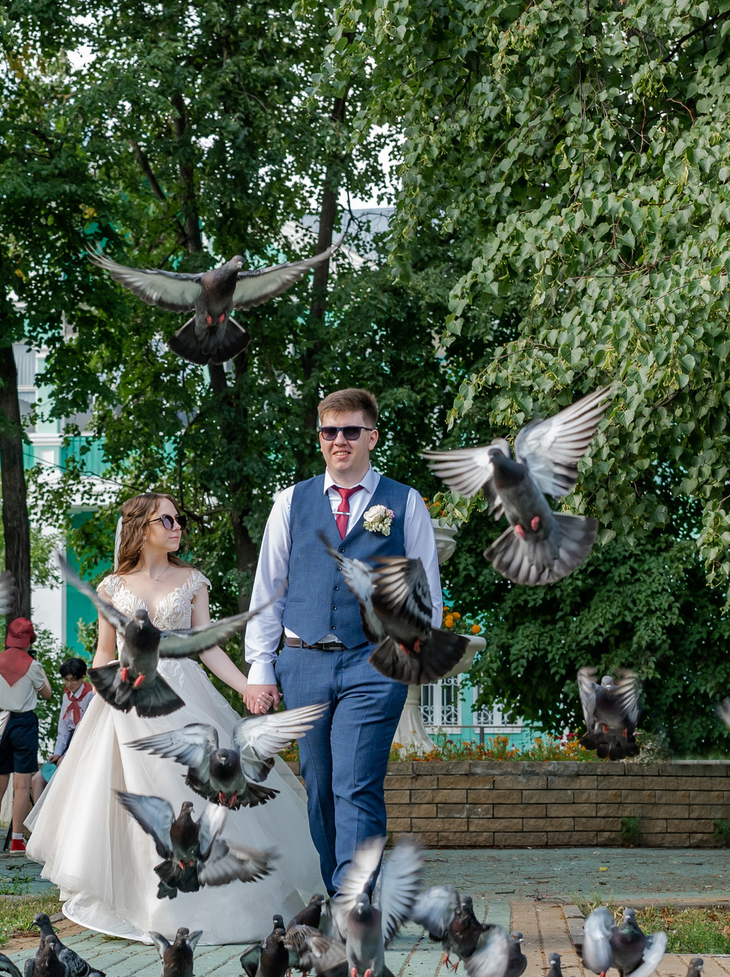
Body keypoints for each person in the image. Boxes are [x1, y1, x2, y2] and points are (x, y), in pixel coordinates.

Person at [25, 492, 325, 943]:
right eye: (165, 519)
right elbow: (104, 654)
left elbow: (206, 644)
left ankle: (213, 907)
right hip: (126, 701)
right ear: (142, 526)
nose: (176, 525)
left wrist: (246, 686)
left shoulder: (192, 581)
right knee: (137, 800)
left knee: (193, 796)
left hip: (184, 698)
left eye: (177, 519)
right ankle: (144, 907)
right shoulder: (112, 586)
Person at [244, 386, 443, 888]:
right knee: (320, 785)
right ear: (320, 439)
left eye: (351, 431)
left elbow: (426, 593)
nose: (340, 440)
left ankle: (353, 899)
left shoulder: (404, 502)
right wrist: (260, 667)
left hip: (375, 663)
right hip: (303, 660)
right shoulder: (290, 502)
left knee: (356, 784)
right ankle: (340, 884)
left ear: (371, 437)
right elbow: (269, 590)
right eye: (330, 432)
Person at [0, 617, 52, 852]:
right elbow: (47, 694)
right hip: (24, 723)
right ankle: (16, 840)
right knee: (22, 786)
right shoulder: (33, 666)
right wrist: (38, 667)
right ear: (29, 639)